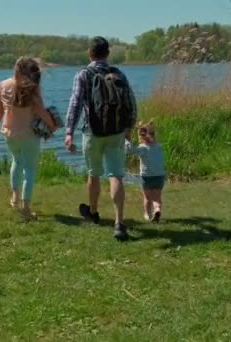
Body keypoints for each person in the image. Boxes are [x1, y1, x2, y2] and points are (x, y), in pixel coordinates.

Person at [65, 36, 137, 241]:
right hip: (116, 131)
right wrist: (129, 127)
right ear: (108, 54)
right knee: (116, 175)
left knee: (93, 174)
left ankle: (94, 212)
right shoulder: (119, 73)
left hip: (92, 131)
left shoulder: (83, 75)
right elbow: (131, 103)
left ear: (90, 53)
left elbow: (75, 104)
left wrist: (69, 131)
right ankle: (119, 222)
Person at [0, 57, 57, 220]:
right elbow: (40, 110)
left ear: (15, 69)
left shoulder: (3, 85)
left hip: (9, 134)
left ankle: (14, 198)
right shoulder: (32, 88)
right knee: (30, 170)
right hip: (29, 135)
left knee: (16, 162)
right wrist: (52, 126)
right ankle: (26, 207)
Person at [126, 121, 166, 223]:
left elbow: (130, 150)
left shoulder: (143, 148)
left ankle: (147, 214)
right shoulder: (159, 147)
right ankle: (157, 209)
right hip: (159, 176)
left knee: (147, 198)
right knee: (157, 198)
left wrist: (128, 139)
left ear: (142, 137)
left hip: (146, 177)